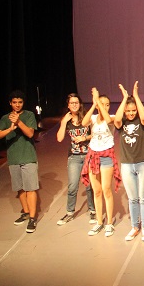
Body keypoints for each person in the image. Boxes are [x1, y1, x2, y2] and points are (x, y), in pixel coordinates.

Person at [0, 90, 39, 233]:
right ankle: (25, 212)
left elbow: (30, 133)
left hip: (28, 157)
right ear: (10, 103)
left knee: (30, 188)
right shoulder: (5, 118)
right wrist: (10, 128)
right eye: (14, 102)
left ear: (23, 103)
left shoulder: (29, 115)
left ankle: (32, 218)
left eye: (20, 102)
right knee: (20, 187)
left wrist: (18, 122)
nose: (17, 105)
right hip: (13, 158)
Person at [114, 81, 144, 242]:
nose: (131, 113)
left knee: (143, 197)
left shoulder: (141, 122)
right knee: (133, 198)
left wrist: (136, 96)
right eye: (128, 111)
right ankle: (134, 227)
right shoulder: (121, 123)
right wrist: (124, 98)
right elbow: (116, 119)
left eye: (133, 110)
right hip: (127, 164)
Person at [81, 88, 122, 237]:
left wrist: (98, 101)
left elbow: (108, 120)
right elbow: (83, 122)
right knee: (96, 191)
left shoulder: (110, 117)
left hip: (106, 156)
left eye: (107, 104)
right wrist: (94, 104)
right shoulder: (93, 118)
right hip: (93, 155)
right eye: (102, 104)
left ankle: (109, 222)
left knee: (106, 189)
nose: (104, 106)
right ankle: (99, 221)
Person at [55, 93, 95, 226]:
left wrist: (84, 138)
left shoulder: (86, 118)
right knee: (72, 186)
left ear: (80, 104)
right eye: (71, 103)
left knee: (89, 185)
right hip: (74, 157)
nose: (74, 105)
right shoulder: (66, 121)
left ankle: (93, 210)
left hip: (88, 155)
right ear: (68, 105)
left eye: (76, 102)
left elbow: (95, 134)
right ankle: (70, 212)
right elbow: (59, 139)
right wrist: (63, 123)